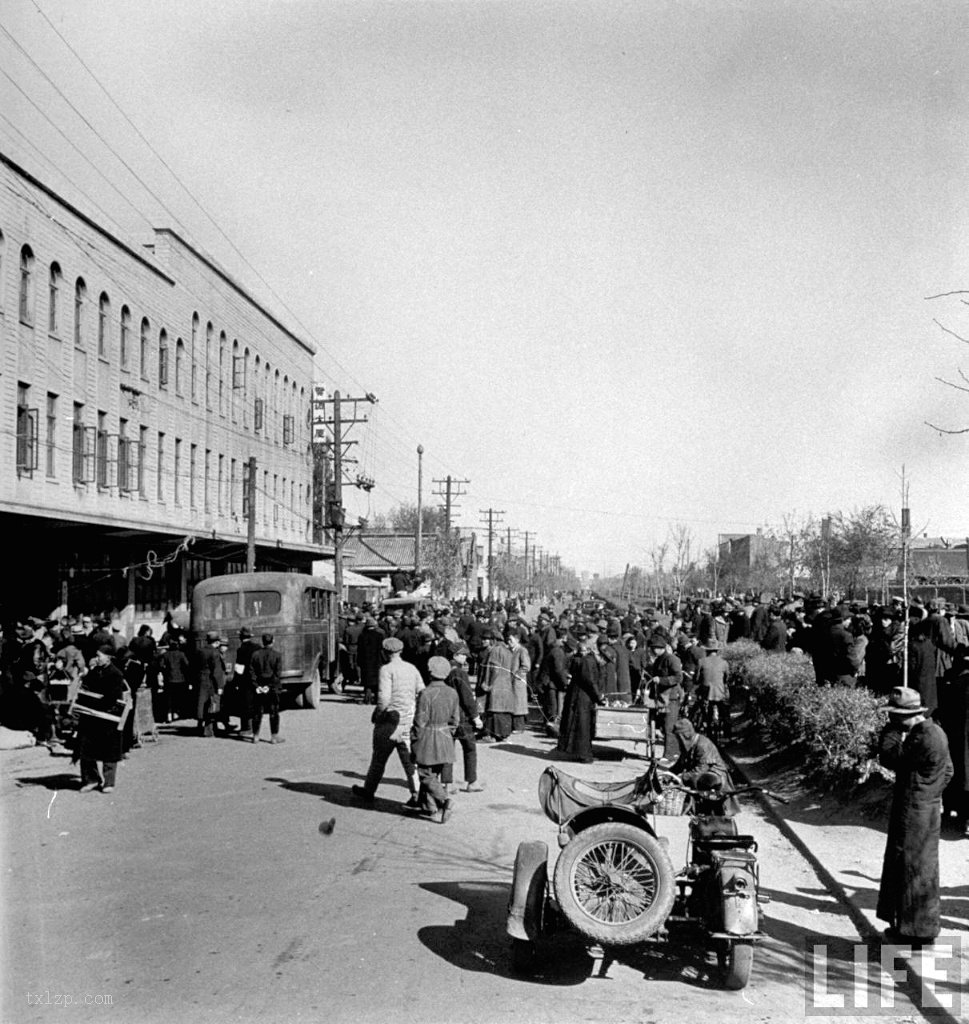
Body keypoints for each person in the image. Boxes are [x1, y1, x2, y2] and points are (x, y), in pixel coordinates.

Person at [876, 686, 953, 946]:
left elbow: (890, 758)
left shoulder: (921, 737)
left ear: (906, 715)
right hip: (928, 809)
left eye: (895, 717)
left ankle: (910, 932)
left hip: (912, 811)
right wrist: (929, 793)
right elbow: (949, 771)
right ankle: (922, 928)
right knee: (924, 868)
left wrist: (891, 733)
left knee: (907, 867)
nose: (893, 721)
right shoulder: (936, 732)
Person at [352, 637, 422, 806]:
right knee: (410, 762)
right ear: (400, 651)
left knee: (379, 759)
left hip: (389, 721)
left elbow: (384, 698)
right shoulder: (411, 668)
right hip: (407, 720)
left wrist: (377, 713)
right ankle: (417, 794)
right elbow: (421, 691)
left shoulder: (386, 670)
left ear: (385, 652)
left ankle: (369, 790)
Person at [411, 656, 460, 823]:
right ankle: (429, 807)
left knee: (425, 773)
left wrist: (414, 739)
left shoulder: (426, 693)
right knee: (434, 773)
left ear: (430, 672)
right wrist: (447, 732)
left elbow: (420, 721)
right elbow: (455, 720)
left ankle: (445, 801)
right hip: (445, 736)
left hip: (428, 737)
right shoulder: (452, 692)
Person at [75, 645, 127, 793]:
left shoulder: (115, 674)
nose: (96, 658)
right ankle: (90, 779)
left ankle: (109, 782)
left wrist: (95, 704)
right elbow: (87, 688)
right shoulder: (94, 672)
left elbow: (113, 697)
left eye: (99, 656)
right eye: (96, 655)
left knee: (109, 750)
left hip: (107, 717)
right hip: (92, 716)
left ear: (108, 657)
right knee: (85, 747)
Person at [557, 624, 605, 764]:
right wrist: (598, 696)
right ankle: (584, 754)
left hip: (576, 695)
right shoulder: (587, 661)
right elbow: (589, 681)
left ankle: (577, 751)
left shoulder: (576, 659)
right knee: (583, 726)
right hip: (583, 697)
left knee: (577, 725)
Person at [443, 644, 483, 793]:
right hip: (462, 717)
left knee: (449, 749)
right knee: (470, 748)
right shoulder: (460, 673)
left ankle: (448, 783)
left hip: (447, 715)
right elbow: (467, 698)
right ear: (455, 656)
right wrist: (476, 717)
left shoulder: (444, 671)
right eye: (462, 654)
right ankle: (472, 782)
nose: (465, 657)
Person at [250, 633, 284, 744]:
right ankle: (274, 737)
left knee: (257, 712)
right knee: (274, 712)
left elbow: (251, 672)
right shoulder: (277, 655)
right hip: (272, 687)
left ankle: (255, 736)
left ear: (262, 641)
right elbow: (277, 674)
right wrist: (268, 686)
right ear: (272, 641)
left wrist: (257, 686)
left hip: (258, 687)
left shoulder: (255, 655)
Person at [196, 630, 225, 738]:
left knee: (201, 704)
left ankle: (200, 726)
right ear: (216, 642)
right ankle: (208, 730)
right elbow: (217, 671)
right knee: (211, 704)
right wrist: (220, 685)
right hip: (210, 681)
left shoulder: (200, 651)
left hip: (200, 680)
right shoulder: (215, 652)